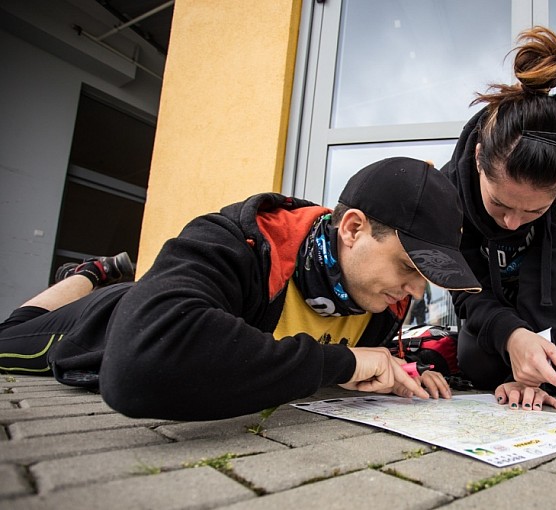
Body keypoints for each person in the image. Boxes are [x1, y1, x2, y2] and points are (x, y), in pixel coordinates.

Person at [0, 157, 481, 421]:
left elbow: (343, 367)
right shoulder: (235, 238)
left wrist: (398, 371)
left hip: (150, 310)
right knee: (10, 334)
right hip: (103, 325)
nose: (416, 293)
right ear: (352, 229)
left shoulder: (382, 298)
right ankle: (88, 276)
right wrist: (345, 362)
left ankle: (92, 276)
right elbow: (138, 370)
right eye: (407, 266)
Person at [441, 26, 556, 412]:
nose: (512, 223)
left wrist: (528, 359)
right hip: (500, 289)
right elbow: (466, 289)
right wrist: (512, 338)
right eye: (500, 204)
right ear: (478, 160)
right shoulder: (449, 189)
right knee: (479, 365)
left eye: (535, 211)